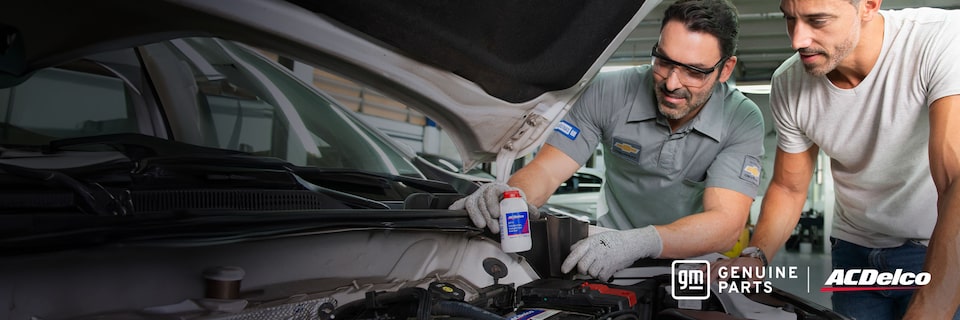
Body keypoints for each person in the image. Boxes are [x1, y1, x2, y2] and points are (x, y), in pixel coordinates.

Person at [450, 0, 765, 282]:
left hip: (692, 264)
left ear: (726, 69)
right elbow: (547, 171)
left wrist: (641, 241)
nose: (671, 83)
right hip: (605, 250)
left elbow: (726, 225)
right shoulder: (608, 93)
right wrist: (512, 195)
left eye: (694, 71)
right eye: (664, 61)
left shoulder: (742, 118)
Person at [713, 0, 960, 319]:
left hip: (935, 248)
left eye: (818, 20)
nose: (797, 40)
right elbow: (789, 188)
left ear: (868, 5)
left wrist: (931, 310)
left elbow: (954, 181)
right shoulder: (789, 82)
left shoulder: (938, 39)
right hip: (852, 250)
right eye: (790, 19)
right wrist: (755, 255)